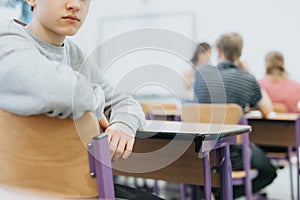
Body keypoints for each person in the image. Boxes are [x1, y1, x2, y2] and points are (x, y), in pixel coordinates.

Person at [0, 0, 162, 199]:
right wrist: (96, 104)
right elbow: (55, 90)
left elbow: (125, 101)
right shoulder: (6, 37)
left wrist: (123, 124)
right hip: (20, 191)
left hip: (81, 187)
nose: (75, 5)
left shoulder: (75, 54)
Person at [193, 32, 277, 198]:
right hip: (234, 155)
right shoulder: (247, 78)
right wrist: (248, 73)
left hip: (202, 153)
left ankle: (215, 192)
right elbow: (268, 110)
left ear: (218, 51)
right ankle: (230, 194)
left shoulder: (202, 74)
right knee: (270, 172)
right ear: (240, 53)